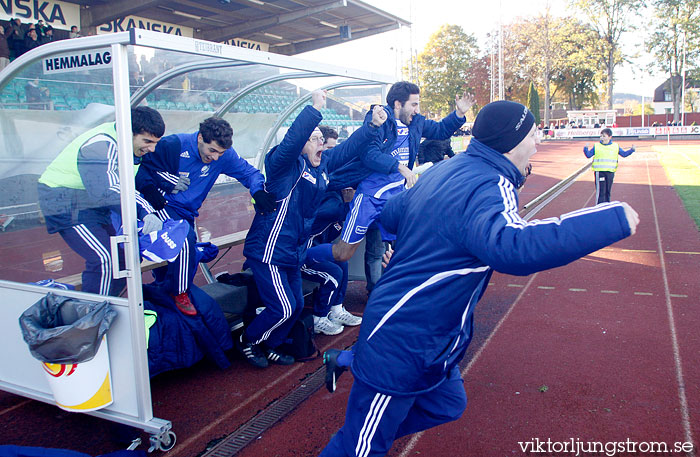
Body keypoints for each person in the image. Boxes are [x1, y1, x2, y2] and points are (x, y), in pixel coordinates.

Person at [319, 100, 639, 457]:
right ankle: (361, 436)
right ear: (512, 141)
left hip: (431, 339)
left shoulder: (447, 169)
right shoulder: (491, 184)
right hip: (405, 337)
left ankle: (358, 396)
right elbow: (515, 246)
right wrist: (610, 220)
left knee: (447, 404)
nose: (538, 142)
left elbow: (393, 215)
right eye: (533, 134)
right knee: (359, 449)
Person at [238, 90, 387, 368]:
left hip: (293, 251)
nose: (321, 144)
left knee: (294, 307)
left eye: (322, 139)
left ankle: (270, 343)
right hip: (269, 250)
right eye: (316, 139)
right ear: (303, 144)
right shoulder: (283, 164)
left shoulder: (321, 167)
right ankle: (249, 340)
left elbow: (348, 149)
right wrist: (314, 109)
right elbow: (292, 142)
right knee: (282, 307)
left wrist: (371, 126)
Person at [135, 117, 275, 315]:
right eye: (212, 151)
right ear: (200, 137)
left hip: (187, 212)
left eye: (221, 153)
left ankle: (163, 298)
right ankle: (179, 293)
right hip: (163, 205)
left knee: (174, 260)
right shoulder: (174, 145)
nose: (216, 157)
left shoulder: (224, 156)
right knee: (184, 241)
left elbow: (249, 173)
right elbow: (140, 167)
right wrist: (151, 188)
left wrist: (258, 191)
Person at [326, 81, 473, 266]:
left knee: (403, 250)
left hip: (396, 199)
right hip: (370, 198)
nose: (417, 110)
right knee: (343, 253)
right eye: (413, 104)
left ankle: (389, 291)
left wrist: (459, 114)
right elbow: (369, 155)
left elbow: (440, 130)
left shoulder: (415, 122)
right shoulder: (379, 118)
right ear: (397, 104)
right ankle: (305, 259)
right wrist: (400, 167)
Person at [37, 107, 166, 296]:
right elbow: (107, 190)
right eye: (147, 141)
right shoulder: (100, 145)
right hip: (65, 201)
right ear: (128, 131)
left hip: (90, 203)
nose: (152, 149)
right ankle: (94, 313)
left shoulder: (127, 146)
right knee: (104, 258)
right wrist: (146, 211)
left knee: (124, 257)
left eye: (155, 143)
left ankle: (110, 303)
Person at [583, 128, 635, 204]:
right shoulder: (597, 146)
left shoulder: (615, 146)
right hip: (600, 172)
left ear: (610, 137)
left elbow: (624, 154)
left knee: (608, 191)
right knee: (601, 192)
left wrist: (632, 150)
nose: (602, 138)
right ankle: (599, 209)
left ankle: (607, 207)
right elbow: (588, 155)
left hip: (610, 172)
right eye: (601, 136)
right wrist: (586, 148)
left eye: (604, 136)